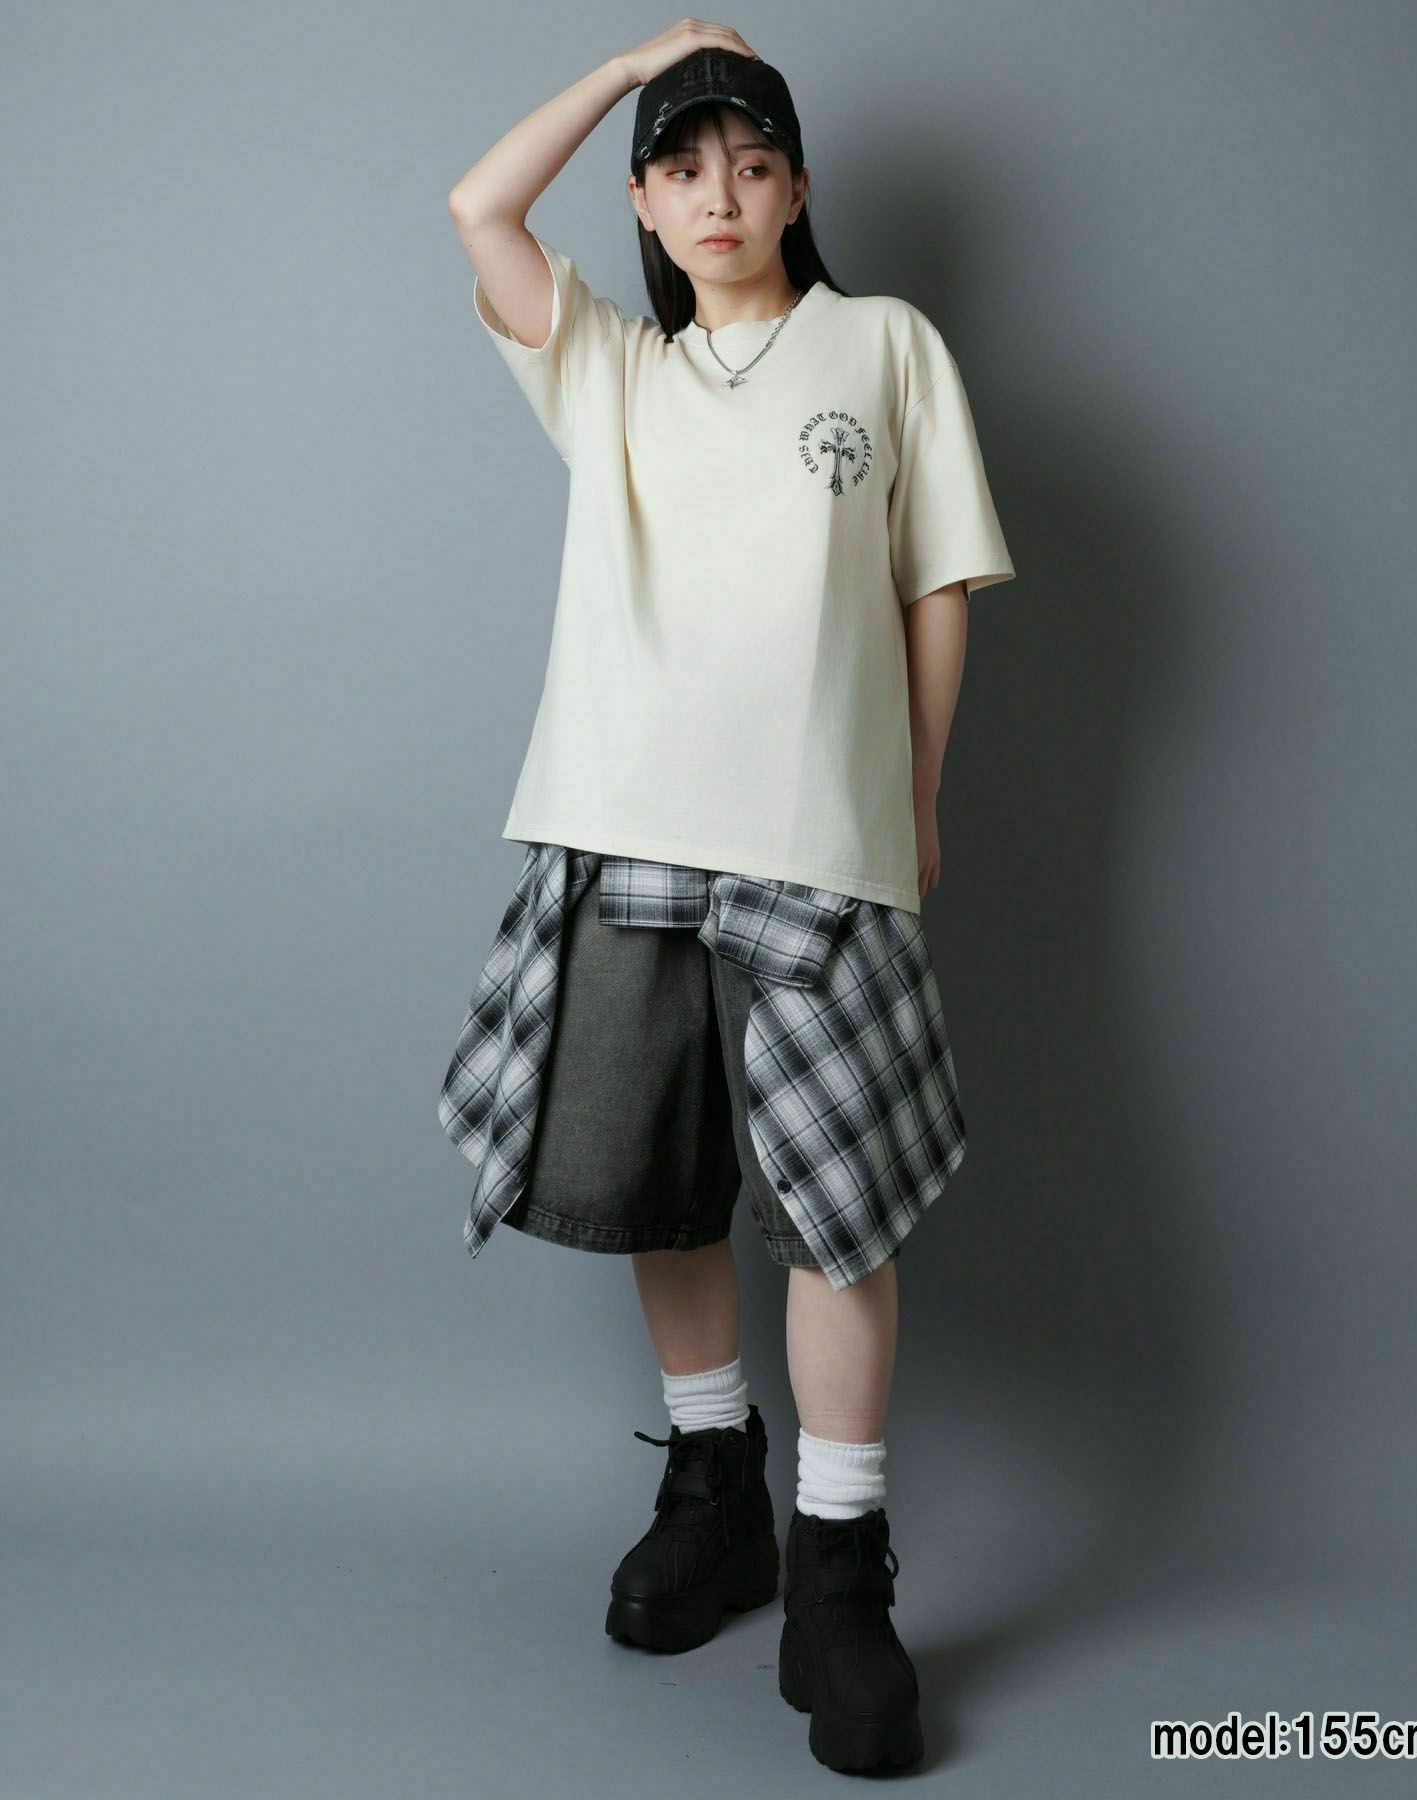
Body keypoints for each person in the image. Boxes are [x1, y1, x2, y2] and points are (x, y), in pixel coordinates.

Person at [441, 19, 1016, 1774]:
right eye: (683, 169)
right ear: (642, 200)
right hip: (620, 824)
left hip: (816, 835)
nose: (720, 196)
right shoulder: (610, 367)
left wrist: (914, 794)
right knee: (662, 1178)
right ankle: (716, 1491)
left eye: (752, 166)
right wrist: (641, 61)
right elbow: (477, 207)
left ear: (797, 189)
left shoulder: (884, 345)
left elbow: (935, 582)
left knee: (837, 1211)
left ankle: (840, 1565)